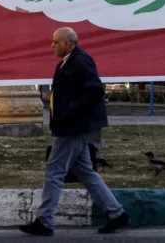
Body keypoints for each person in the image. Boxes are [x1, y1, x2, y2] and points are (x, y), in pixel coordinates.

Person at [20, 28, 129, 237]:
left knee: (54, 172)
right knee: (86, 172)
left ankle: (44, 221)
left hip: (72, 128)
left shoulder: (81, 61)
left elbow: (96, 90)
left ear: (67, 44)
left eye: (55, 42)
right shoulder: (68, 62)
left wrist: (71, 109)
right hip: (70, 125)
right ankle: (117, 214)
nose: (51, 46)